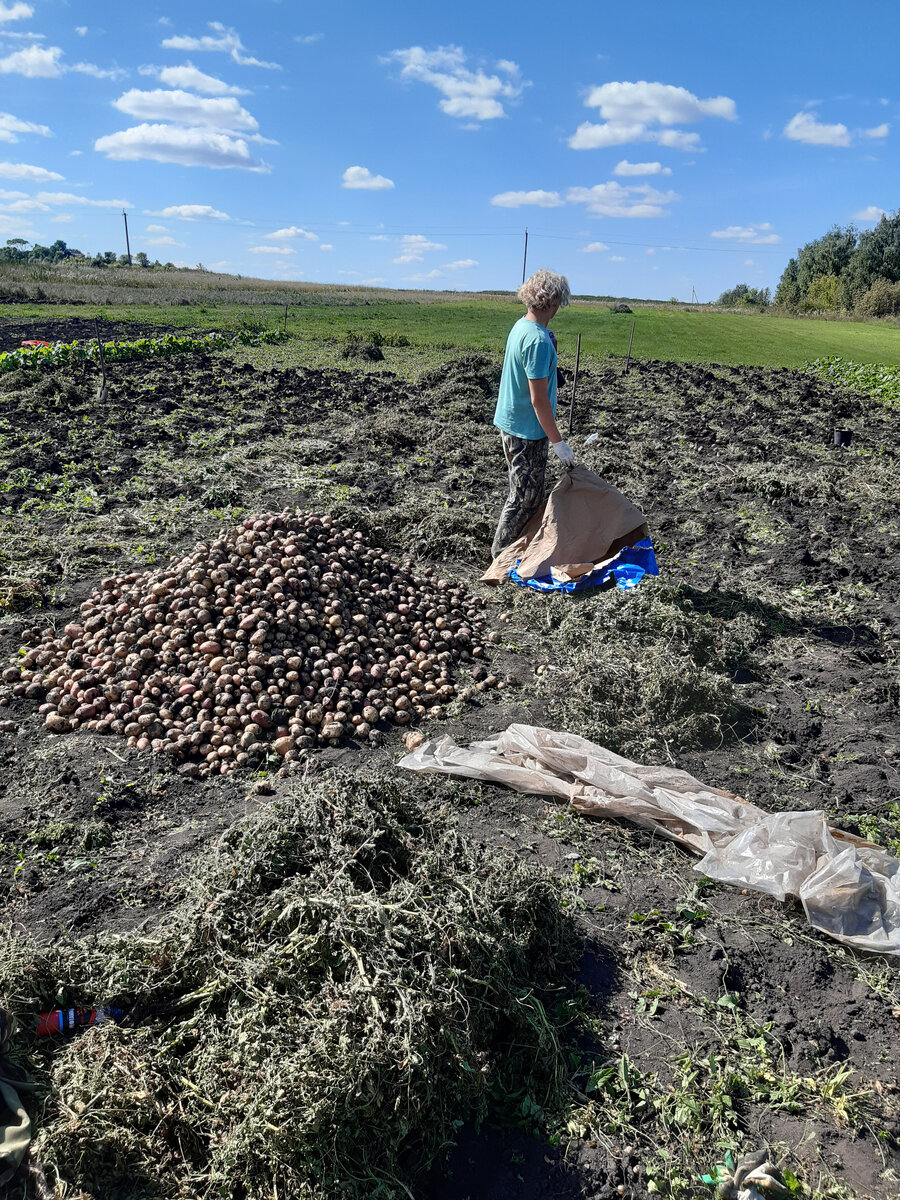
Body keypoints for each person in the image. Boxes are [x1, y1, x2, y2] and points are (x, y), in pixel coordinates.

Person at [491, 267, 574, 560]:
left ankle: (520, 548)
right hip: (526, 430)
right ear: (552, 301)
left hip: (513, 421)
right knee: (524, 497)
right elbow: (540, 401)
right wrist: (558, 442)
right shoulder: (538, 341)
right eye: (558, 301)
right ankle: (501, 555)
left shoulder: (524, 327)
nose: (558, 307)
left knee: (530, 492)